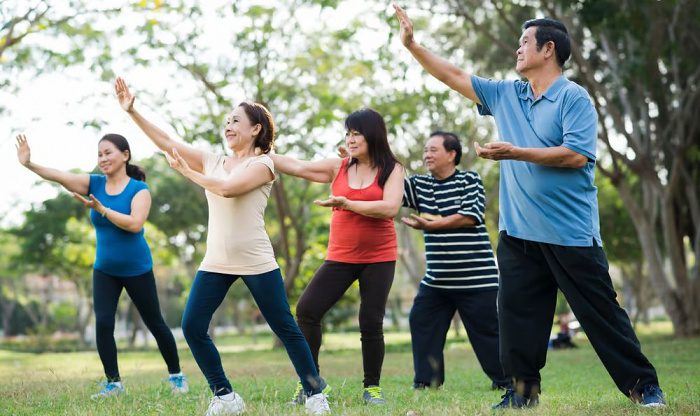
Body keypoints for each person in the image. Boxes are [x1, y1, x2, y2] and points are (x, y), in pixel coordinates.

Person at [393, 4, 666, 409]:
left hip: (570, 234)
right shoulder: (506, 94)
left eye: (525, 43)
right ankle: (521, 394)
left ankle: (644, 387)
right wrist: (413, 46)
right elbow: (452, 75)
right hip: (519, 234)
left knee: (601, 316)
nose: (518, 49)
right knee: (517, 318)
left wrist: (515, 152)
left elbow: (575, 155)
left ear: (548, 49)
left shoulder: (573, 98)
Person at [114, 78, 330, 416]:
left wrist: (187, 172)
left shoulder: (263, 165)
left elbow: (228, 189)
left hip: (256, 260)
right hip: (216, 260)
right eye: (227, 121)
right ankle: (226, 396)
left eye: (236, 121)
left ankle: (315, 393)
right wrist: (133, 112)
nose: (228, 126)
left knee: (285, 327)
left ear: (256, 128)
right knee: (192, 326)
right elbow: (166, 142)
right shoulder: (212, 160)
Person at [15, 133, 188, 399]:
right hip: (104, 269)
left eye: (108, 153)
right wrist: (29, 164)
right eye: (99, 154)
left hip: (137, 268)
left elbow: (135, 224)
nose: (103, 158)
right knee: (104, 322)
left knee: (155, 323)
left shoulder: (139, 190)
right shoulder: (93, 183)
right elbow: (60, 176)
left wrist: (103, 209)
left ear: (125, 155)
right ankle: (114, 384)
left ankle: (176, 376)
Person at [270, 108, 404, 405]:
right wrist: (262, 153)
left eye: (357, 133)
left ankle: (372, 388)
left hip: (379, 256)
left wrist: (347, 203)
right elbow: (298, 166)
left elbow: (390, 207)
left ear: (373, 135)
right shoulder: (339, 167)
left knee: (370, 321)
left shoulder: (393, 169)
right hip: (340, 257)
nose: (351, 139)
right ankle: (311, 382)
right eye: (348, 133)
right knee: (307, 310)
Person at [401, 131, 510, 391]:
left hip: (477, 279)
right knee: (421, 320)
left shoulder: (469, 180)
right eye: (425, 150)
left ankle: (506, 381)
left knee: (488, 334)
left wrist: (431, 225)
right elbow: (389, 192)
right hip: (437, 281)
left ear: (452, 154)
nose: (427, 154)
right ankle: (427, 381)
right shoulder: (419, 185)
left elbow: (470, 215)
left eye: (433, 150)